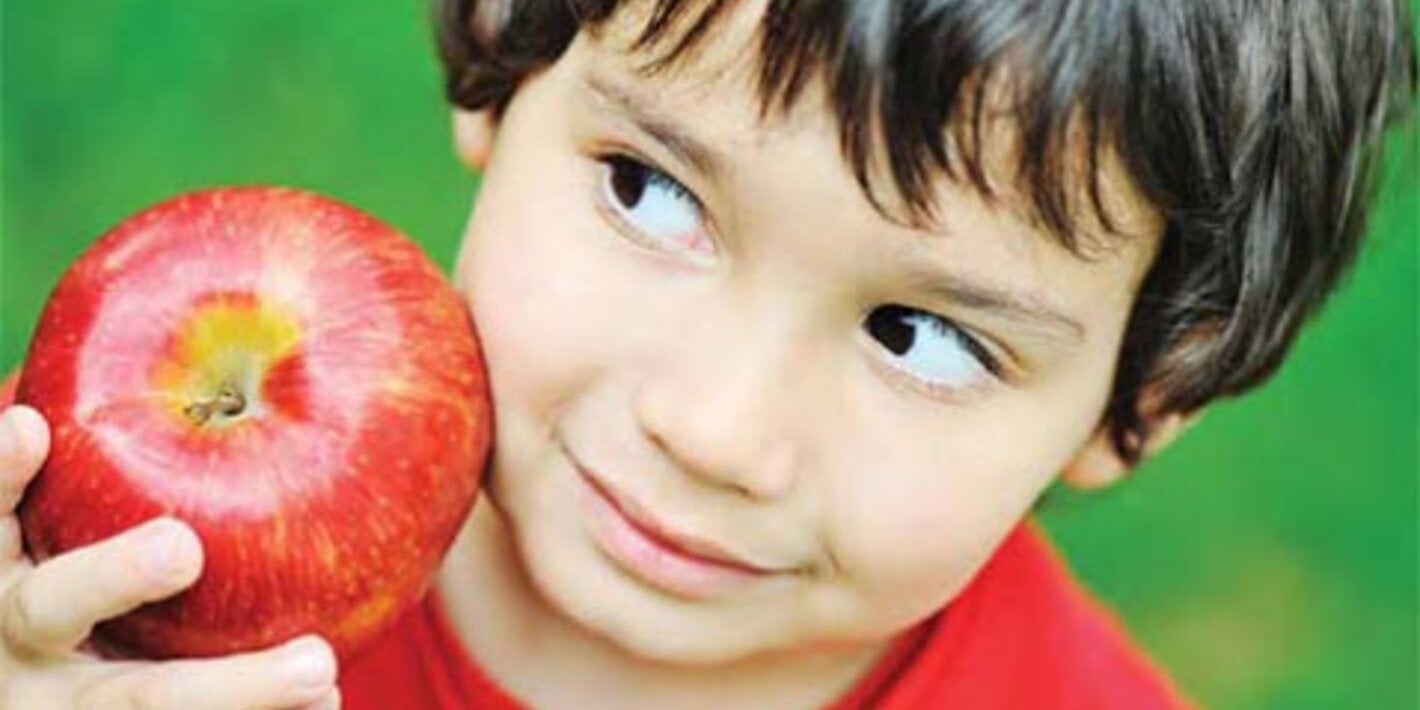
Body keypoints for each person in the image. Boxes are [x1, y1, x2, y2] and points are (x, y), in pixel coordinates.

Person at [0, 0, 1413, 708]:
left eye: (921, 335)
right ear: (509, 42)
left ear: (1147, 396)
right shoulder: (94, 582)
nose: (715, 426)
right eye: (650, 193)